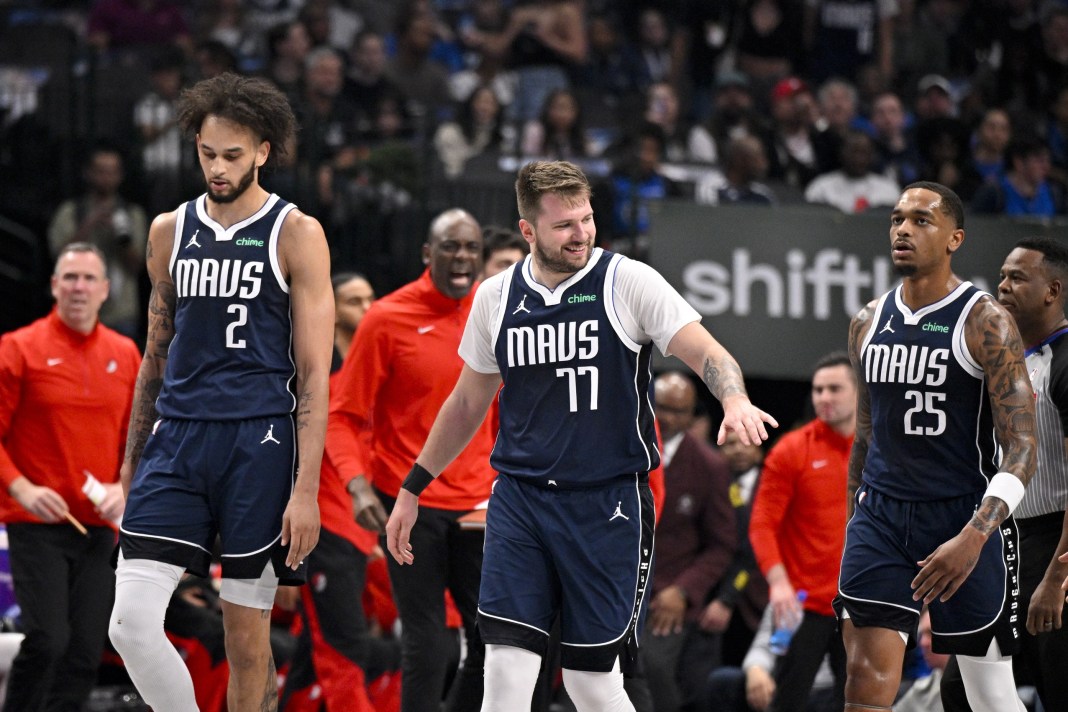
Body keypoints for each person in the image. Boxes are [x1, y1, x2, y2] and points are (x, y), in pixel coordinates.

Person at [385, 159, 778, 711]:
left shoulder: (627, 280)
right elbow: (467, 401)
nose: (582, 234)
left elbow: (707, 351)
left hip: (607, 504)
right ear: (528, 231)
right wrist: (413, 486)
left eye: (587, 219)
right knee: (502, 672)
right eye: (564, 225)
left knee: (589, 682)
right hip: (520, 500)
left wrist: (734, 398)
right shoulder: (496, 297)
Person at [108, 73, 333, 712]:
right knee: (127, 624)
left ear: (263, 150)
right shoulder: (167, 230)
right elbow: (155, 352)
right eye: (208, 153)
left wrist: (307, 488)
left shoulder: (296, 232)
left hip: (259, 440)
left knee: (247, 642)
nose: (217, 166)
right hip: (176, 439)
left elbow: (315, 373)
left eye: (232, 155)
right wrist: (131, 456)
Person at [834, 181, 1037, 712]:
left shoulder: (985, 321)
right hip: (879, 516)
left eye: (921, 220)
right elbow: (866, 432)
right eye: (897, 219)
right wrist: (853, 516)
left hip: (963, 518)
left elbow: (1022, 448)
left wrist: (974, 537)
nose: (903, 229)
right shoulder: (867, 322)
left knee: (989, 694)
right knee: (863, 686)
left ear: (955, 238)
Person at [328, 208, 494, 712]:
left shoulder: (495, 312)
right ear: (427, 253)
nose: (462, 257)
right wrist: (356, 486)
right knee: (428, 641)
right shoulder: (386, 319)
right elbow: (343, 415)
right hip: (409, 502)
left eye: (471, 247)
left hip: (480, 505)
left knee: (492, 640)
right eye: (450, 246)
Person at [0, 243, 140, 711]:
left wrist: (123, 488)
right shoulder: (18, 348)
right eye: (70, 277)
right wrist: (22, 486)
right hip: (35, 523)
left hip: (98, 528)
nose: (79, 287)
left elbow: (136, 442)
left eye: (88, 279)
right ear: (54, 286)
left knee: (84, 651)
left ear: (106, 290)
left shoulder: (125, 353)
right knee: (48, 639)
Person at [942, 237, 1068, 711]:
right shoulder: (998, 360)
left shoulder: (1066, 362)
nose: (1003, 286)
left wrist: (1057, 579)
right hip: (1006, 537)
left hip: (1057, 540)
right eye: (1002, 276)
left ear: (1053, 290)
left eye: (1018, 277)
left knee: (1058, 684)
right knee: (960, 690)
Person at [281, 271, 400, 711]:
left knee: (315, 654)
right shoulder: (312, 366)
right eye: (354, 301)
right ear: (332, 307)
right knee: (343, 648)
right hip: (322, 525)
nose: (368, 308)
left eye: (372, 298)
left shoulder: (374, 365)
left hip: (360, 527)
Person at [749, 351, 856, 711]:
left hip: (859, 604)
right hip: (803, 604)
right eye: (817, 390)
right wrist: (778, 583)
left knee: (861, 702)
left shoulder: (879, 449)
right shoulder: (791, 450)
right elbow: (762, 524)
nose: (823, 397)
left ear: (859, 391)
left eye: (834, 389)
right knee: (787, 702)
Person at [642, 371, 736, 712]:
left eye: (679, 411)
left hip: (667, 595)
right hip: (616, 584)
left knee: (651, 667)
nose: (667, 417)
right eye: (661, 406)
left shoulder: (709, 465)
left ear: (691, 415)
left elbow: (722, 544)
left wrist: (683, 591)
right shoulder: (621, 444)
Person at [47, 143, 149, 340]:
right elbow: (57, 259)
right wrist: (89, 224)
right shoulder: (70, 212)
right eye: (100, 171)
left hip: (121, 313)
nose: (106, 178)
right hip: (77, 310)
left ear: (120, 175)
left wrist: (121, 235)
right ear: (88, 173)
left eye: (112, 172)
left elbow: (138, 266)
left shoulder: (133, 214)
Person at [700, 431, 769, 669]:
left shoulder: (774, 485)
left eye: (747, 442)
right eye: (730, 444)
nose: (739, 449)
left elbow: (754, 548)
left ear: (760, 449)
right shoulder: (708, 486)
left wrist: (727, 598)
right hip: (712, 596)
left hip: (762, 598)